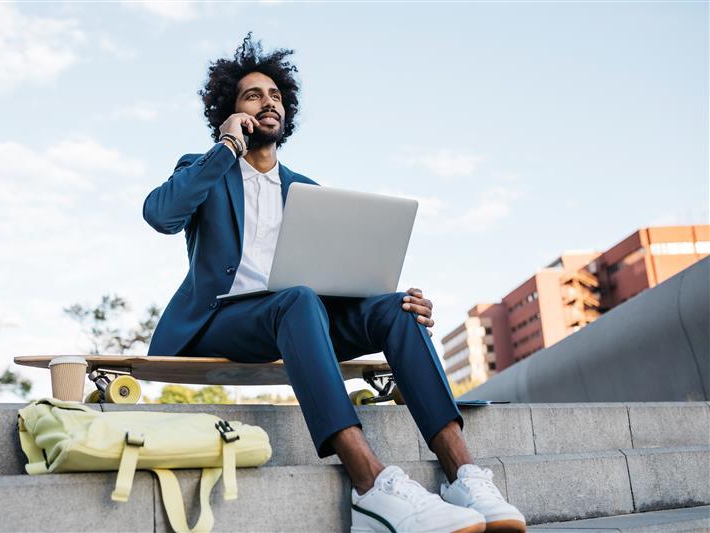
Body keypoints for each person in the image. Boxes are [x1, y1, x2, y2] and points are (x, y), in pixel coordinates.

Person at [143, 33, 526, 533]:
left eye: (276, 96)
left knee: (394, 308)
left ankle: (464, 474)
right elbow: (161, 215)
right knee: (297, 300)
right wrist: (226, 146)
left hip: (299, 318)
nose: (268, 102)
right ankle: (370, 485)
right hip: (221, 321)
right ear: (230, 110)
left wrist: (393, 301)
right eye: (252, 96)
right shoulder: (204, 168)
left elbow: (338, 280)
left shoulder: (306, 191)